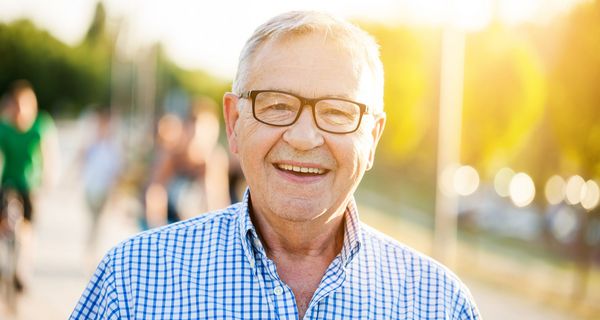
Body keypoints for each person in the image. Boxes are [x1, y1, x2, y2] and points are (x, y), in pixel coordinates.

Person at [70, 11, 480, 319]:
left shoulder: (440, 304)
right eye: (277, 105)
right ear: (233, 123)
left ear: (371, 137)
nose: (303, 138)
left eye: (338, 112)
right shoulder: (131, 282)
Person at [0, 80, 59, 291]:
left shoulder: (40, 125)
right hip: (7, 182)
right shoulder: (4, 128)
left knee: (28, 229)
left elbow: (48, 153)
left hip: (30, 184)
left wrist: (48, 177)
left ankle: (22, 270)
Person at [144, 97, 230, 228]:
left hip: (201, 223)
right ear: (187, 129)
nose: (201, 139)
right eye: (197, 131)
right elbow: (155, 193)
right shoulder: (173, 155)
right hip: (170, 222)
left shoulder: (215, 159)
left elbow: (217, 202)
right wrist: (157, 227)